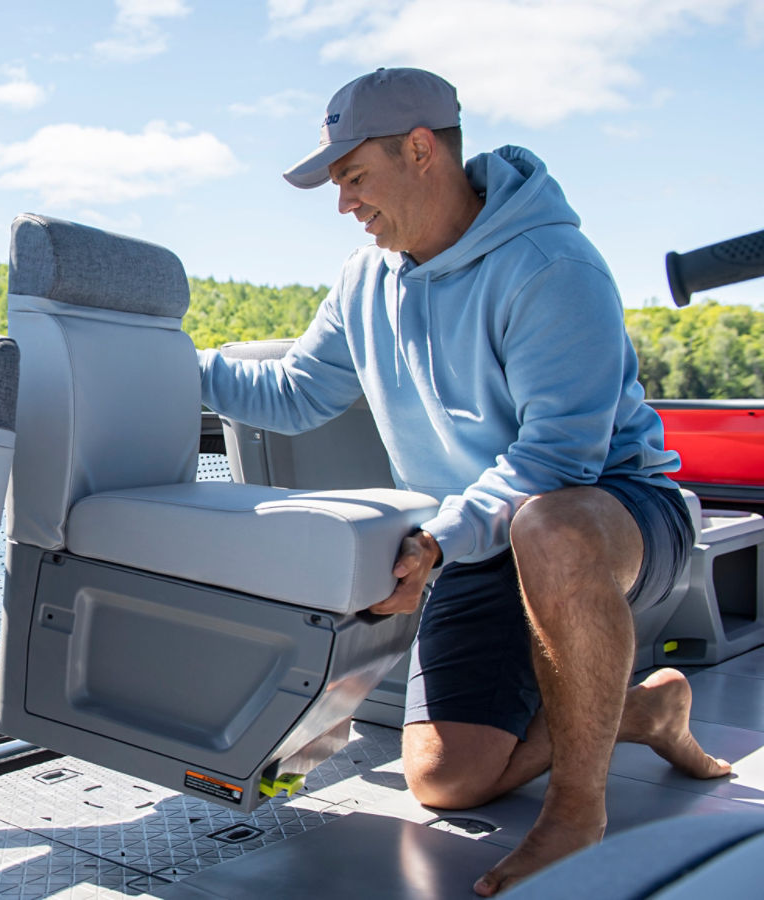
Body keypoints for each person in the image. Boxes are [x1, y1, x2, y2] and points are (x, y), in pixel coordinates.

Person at [199, 67, 732, 895]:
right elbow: (296, 394)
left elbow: (559, 463)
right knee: (447, 779)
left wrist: (441, 542)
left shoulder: (554, 265)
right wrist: (166, 366)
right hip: (479, 537)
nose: (343, 203)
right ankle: (642, 712)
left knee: (547, 525)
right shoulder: (363, 280)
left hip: (617, 512)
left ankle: (576, 812)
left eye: (352, 176)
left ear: (420, 150)